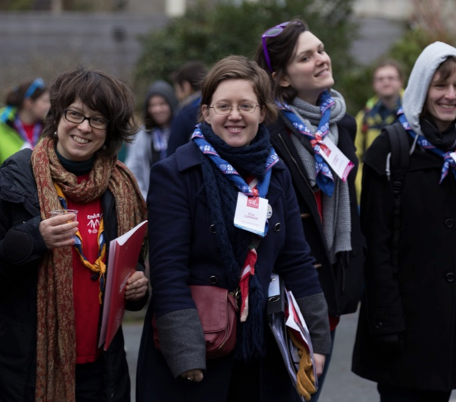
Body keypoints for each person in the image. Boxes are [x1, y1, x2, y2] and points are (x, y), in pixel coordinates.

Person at [135, 55, 331, 402]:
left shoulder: (277, 173)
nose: (235, 115)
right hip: (199, 348)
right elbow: (168, 271)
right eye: (223, 105)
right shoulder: (175, 174)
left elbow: (297, 260)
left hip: (262, 349)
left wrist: (316, 339)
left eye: (246, 105)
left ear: (262, 112)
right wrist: (186, 352)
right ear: (206, 112)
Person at [350, 41, 456, 402]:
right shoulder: (391, 149)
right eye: (440, 86)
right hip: (404, 322)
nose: (450, 96)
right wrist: (385, 319)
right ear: (422, 89)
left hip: (454, 319)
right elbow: (375, 245)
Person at [0, 67, 149, 401]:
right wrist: (33, 239)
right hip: (30, 369)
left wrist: (138, 284)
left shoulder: (121, 186)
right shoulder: (15, 178)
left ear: (109, 131)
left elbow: (131, 265)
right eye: (75, 114)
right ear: (58, 115)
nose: (84, 127)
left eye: (97, 120)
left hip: (103, 367)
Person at [254, 18, 365, 401]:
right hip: (284, 295)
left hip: (327, 293)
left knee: (310, 394)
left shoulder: (340, 125)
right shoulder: (265, 132)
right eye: (306, 57)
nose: (321, 59)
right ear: (282, 78)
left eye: (320, 50)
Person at [354, 59, 405, 202]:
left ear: (401, 81)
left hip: (409, 187)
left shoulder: (414, 112)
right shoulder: (364, 117)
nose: (386, 82)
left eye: (391, 78)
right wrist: (362, 184)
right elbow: (354, 155)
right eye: (380, 79)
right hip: (374, 190)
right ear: (374, 84)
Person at [125, 80, 178, 198]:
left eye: (162, 104)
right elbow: (132, 170)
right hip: (152, 200)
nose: (157, 109)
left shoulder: (181, 132)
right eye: (152, 105)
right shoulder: (142, 136)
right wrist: (144, 198)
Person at [0, 77, 50, 164]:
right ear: (28, 103)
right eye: (45, 101)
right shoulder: (2, 124)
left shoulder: (50, 127)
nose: (49, 106)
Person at [166, 60, 207, 155]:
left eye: (176, 90)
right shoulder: (217, 108)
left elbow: (172, 155)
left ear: (186, 86)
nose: (176, 95)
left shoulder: (184, 116)